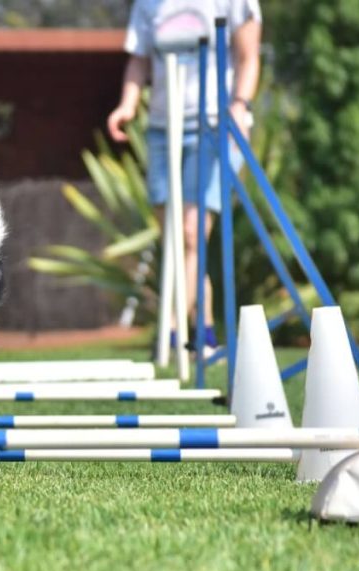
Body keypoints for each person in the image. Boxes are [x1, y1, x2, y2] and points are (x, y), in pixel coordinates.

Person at [107, 0, 261, 353]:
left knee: (192, 232)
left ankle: (172, 332)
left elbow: (249, 55)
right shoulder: (148, 4)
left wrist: (240, 104)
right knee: (179, 242)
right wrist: (128, 105)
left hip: (215, 124)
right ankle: (204, 331)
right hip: (163, 129)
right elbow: (139, 60)